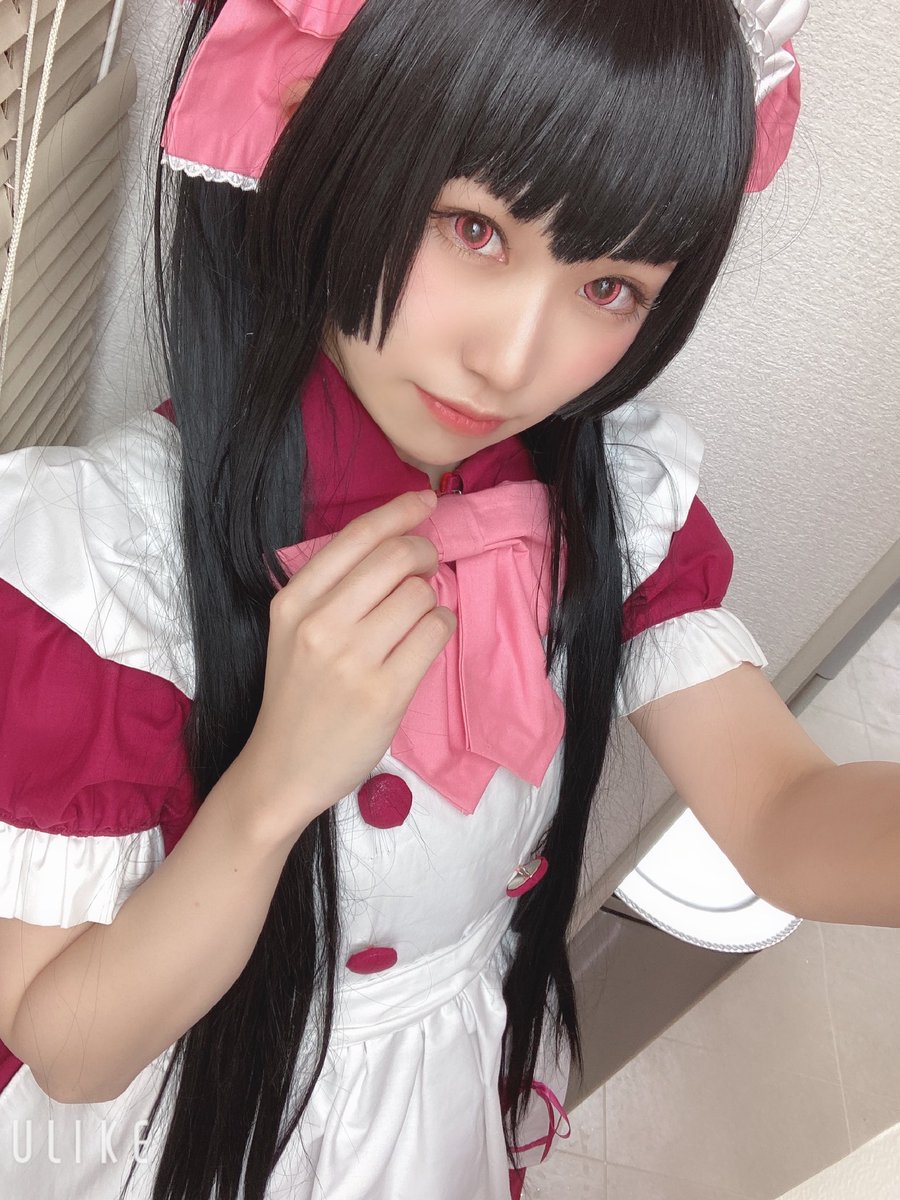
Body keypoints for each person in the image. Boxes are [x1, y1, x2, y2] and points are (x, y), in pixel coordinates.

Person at [2, 0, 898, 1198]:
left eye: (611, 287)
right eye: (474, 229)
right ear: (314, 135)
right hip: (202, 1119)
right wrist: (273, 787)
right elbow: (73, 1051)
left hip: (437, 1098)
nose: (513, 361)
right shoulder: (107, 564)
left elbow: (782, 814)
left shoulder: (608, 500)